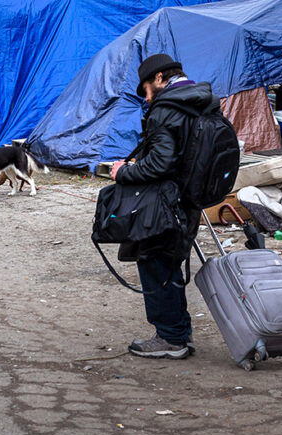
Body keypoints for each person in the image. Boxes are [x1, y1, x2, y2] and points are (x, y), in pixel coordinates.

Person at [110, 54, 218, 360]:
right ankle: (178, 332)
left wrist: (123, 172)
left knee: (155, 261)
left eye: (145, 88)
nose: (145, 97)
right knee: (169, 262)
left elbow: (160, 162)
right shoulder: (203, 101)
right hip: (192, 198)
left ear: (159, 79)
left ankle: (171, 338)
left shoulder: (166, 109)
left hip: (165, 202)